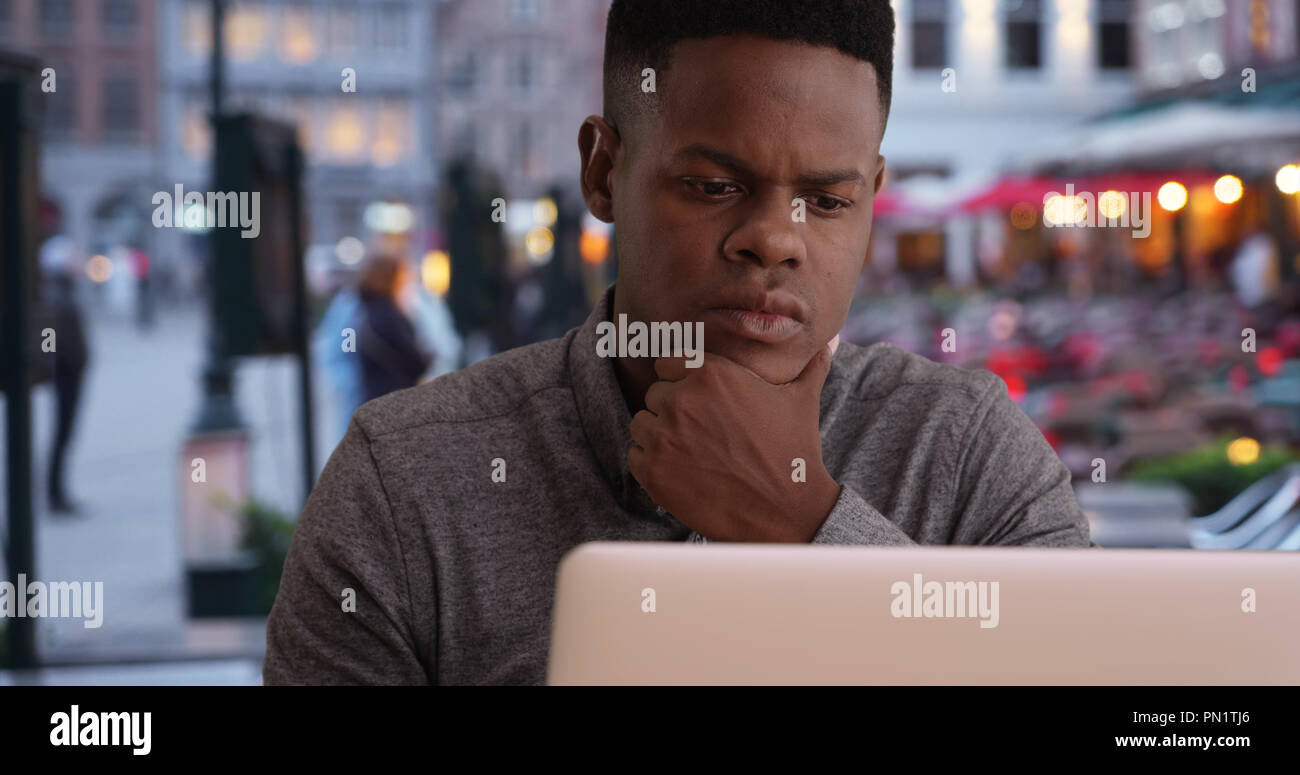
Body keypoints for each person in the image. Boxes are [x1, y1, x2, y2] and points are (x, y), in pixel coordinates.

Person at [265, 0, 1096, 686]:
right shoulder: (405, 486)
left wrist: (803, 523)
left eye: (827, 201)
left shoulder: (968, 454)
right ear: (602, 172)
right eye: (714, 186)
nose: (775, 238)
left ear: (873, 198)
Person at [39, 236, 90, 515]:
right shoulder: (58, 294)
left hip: (70, 373)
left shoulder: (65, 291)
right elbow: (50, 335)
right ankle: (55, 494)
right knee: (61, 434)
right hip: (65, 375)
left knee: (64, 434)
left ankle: (58, 492)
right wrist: (53, 360)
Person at [353, 253, 432, 404]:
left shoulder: (364, 311)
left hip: (373, 398)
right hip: (394, 400)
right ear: (391, 278)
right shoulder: (389, 315)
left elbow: (348, 351)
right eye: (403, 276)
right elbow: (416, 362)